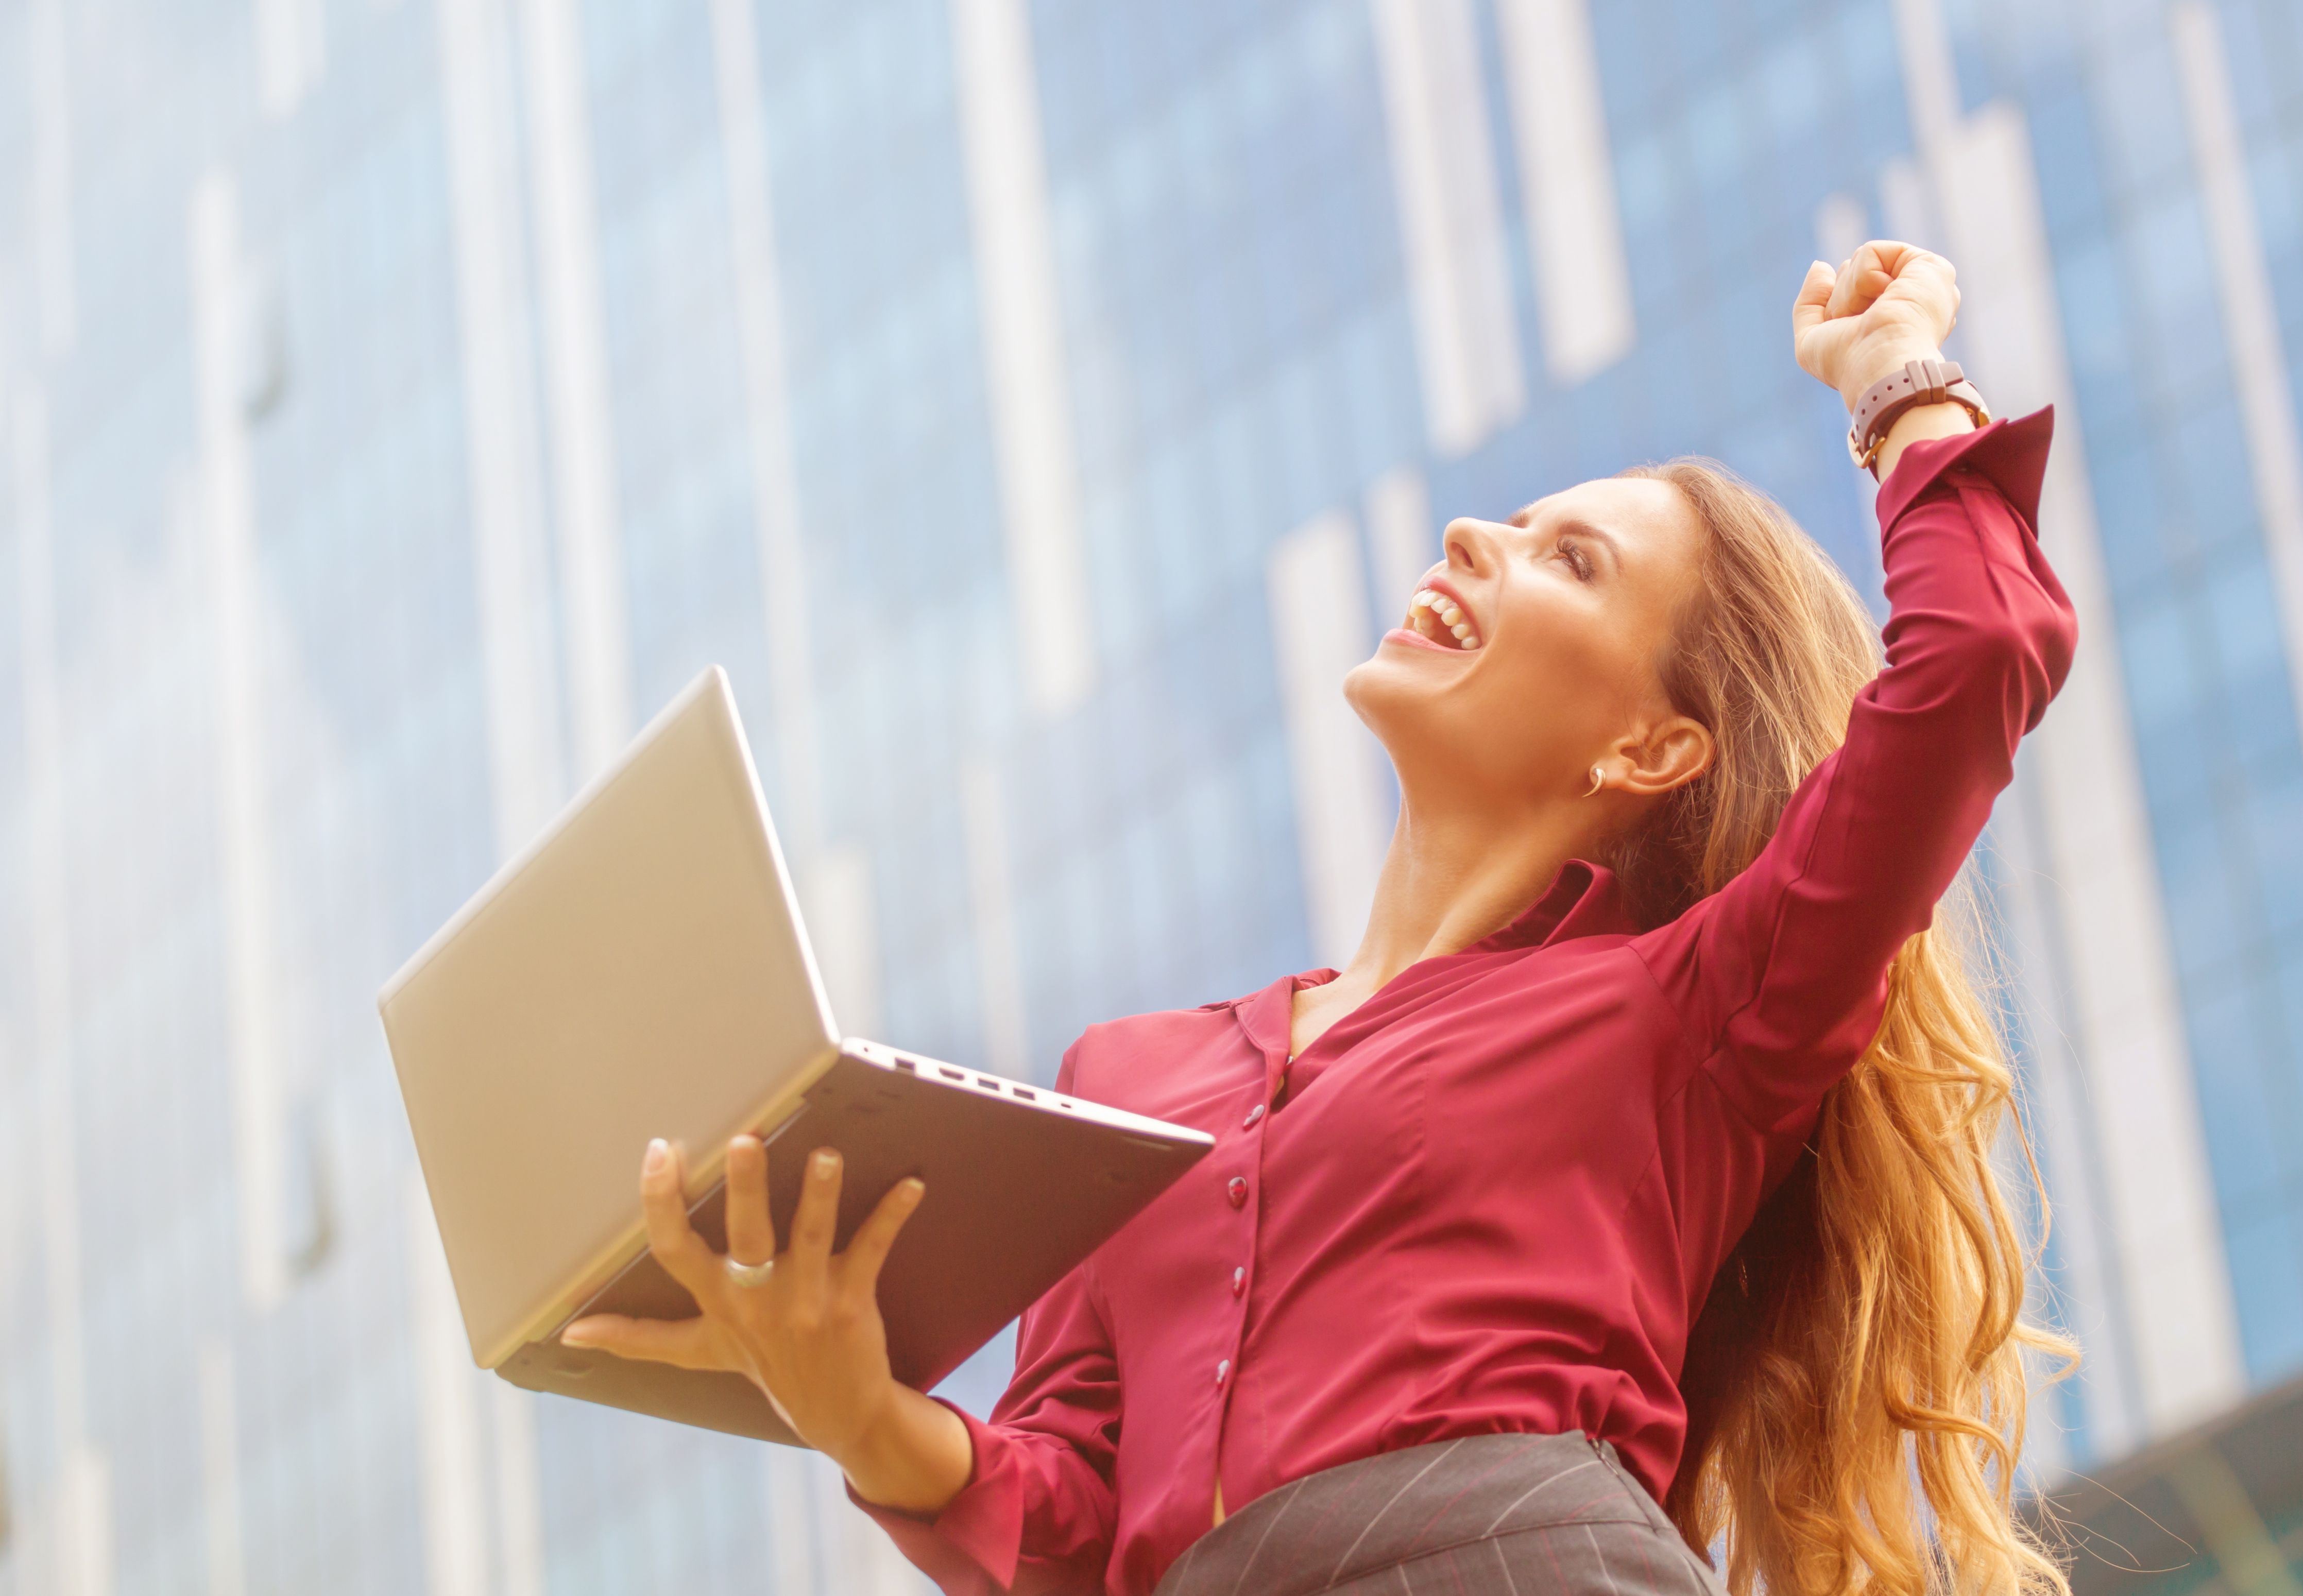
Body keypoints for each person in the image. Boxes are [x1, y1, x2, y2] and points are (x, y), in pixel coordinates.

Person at [564, 241, 2080, 1596]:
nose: (1478, 536)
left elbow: (1974, 661)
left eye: (1570, 559)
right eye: (1511, 518)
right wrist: (866, 1418)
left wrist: (1900, 384)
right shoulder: (1130, 1079)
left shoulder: (1693, 1011)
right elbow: (1077, 1531)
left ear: (1648, 750)